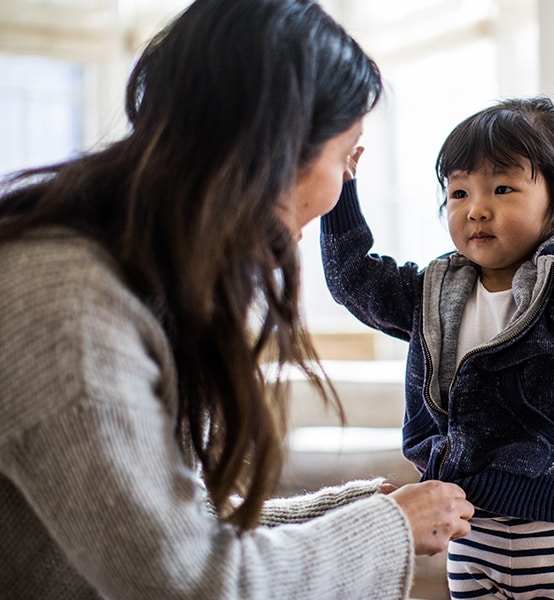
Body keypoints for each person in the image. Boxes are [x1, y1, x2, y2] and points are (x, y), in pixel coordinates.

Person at [0, 0, 473, 598]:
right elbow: (195, 583)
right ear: (276, 148)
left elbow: (184, 532)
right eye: (345, 156)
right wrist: (389, 528)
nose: (340, 189)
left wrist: (367, 511)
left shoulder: (132, 280)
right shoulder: (68, 314)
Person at [322, 54, 554, 599]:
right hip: (469, 538)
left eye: (502, 190)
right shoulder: (437, 290)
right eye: (458, 193)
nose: (476, 209)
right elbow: (354, 281)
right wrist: (340, 196)